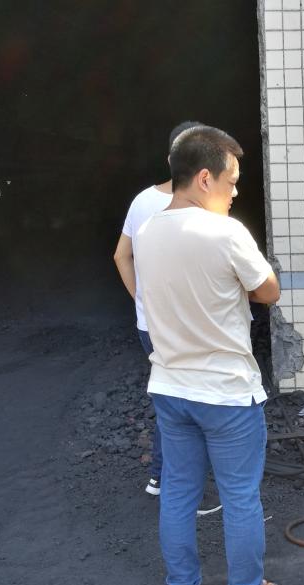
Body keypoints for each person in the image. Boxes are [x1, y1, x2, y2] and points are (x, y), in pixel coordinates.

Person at [136, 125, 282, 585]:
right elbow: (268, 291)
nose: (235, 192)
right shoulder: (226, 232)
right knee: (239, 497)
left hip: (170, 388)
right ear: (204, 178)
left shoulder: (147, 231)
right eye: (232, 181)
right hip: (225, 393)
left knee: (178, 493)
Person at [112, 121, 208, 499]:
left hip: (150, 325)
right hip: (187, 325)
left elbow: (121, 255)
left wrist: (141, 298)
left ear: (170, 159)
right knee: (189, 404)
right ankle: (176, 485)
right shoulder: (205, 206)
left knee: (172, 398)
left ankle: (160, 477)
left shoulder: (142, 201)